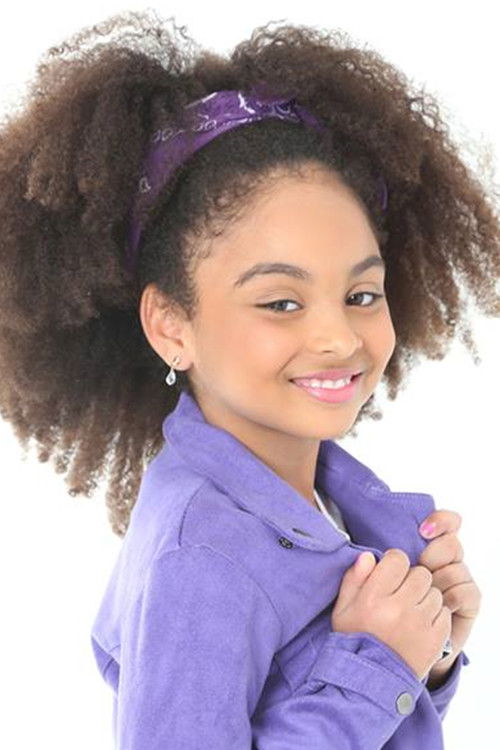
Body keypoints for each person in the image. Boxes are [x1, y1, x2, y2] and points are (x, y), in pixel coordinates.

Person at [0, 9, 491, 749]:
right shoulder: (201, 559)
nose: (338, 337)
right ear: (172, 326)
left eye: (362, 294)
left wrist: (426, 653)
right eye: (280, 303)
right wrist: (376, 660)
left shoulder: (321, 497)